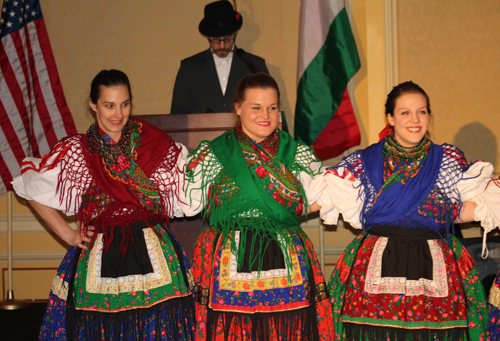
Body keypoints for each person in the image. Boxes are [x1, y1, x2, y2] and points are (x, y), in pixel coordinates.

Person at [12, 70, 196, 340]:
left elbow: (188, 196)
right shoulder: (79, 151)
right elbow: (30, 187)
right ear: (93, 104)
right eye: (109, 105)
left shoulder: (154, 143)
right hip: (99, 253)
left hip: (154, 251)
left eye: (125, 104)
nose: (118, 114)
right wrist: (67, 234)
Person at [314, 81, 499, 340]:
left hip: (437, 264)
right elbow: (320, 198)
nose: (415, 119)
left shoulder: (447, 160)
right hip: (371, 267)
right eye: (405, 112)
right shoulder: (364, 161)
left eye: (422, 112)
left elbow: (458, 211)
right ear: (390, 118)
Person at [181, 73, 334, 340]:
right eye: (256, 107)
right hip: (225, 257)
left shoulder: (295, 153)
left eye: (272, 108)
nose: (265, 115)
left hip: (285, 254)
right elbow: (188, 205)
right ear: (238, 108)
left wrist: (290, 210)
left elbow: (328, 196)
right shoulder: (214, 154)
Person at [171, 0, 269, 114]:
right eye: (216, 39)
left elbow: (267, 105)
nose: (222, 45)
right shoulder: (189, 68)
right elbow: (179, 114)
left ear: (234, 33)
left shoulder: (255, 66)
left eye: (227, 39)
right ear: (207, 36)